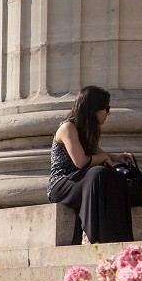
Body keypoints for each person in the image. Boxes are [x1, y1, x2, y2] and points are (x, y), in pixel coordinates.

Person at [47, 85, 135, 244]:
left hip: (80, 180)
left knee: (115, 177)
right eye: (106, 108)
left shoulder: (85, 129)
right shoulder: (68, 127)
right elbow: (81, 162)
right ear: (94, 109)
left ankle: (122, 240)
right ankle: (92, 237)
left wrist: (115, 157)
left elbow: (95, 152)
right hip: (62, 183)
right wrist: (103, 157)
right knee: (98, 174)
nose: (109, 112)